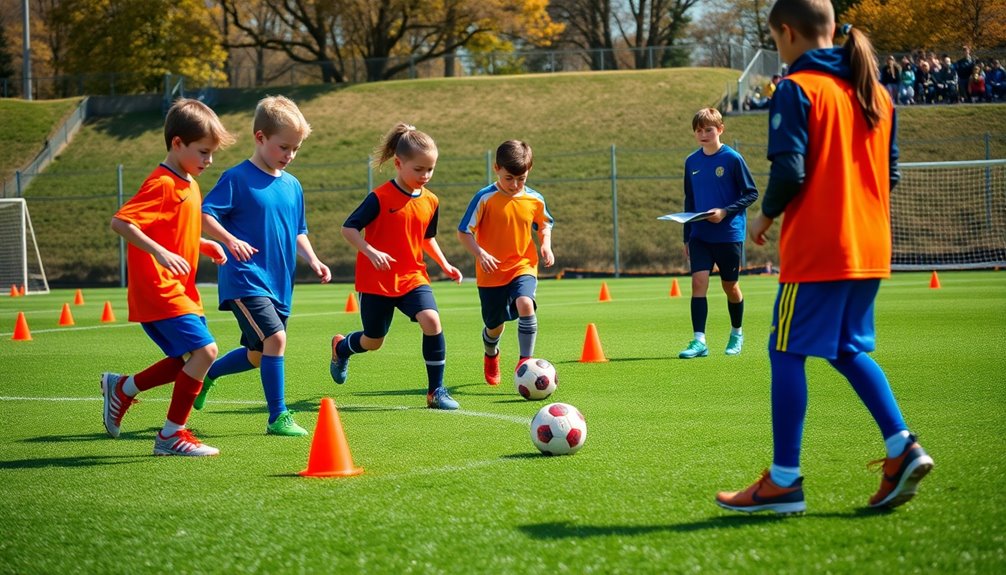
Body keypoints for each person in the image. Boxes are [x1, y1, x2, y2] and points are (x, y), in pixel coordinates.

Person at [715, 2, 934, 515]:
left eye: (775, 41)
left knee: (785, 351)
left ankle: (784, 482)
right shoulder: (875, 91)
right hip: (871, 246)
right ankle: (902, 448)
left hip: (821, 247)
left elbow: (789, 173)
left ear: (786, 33)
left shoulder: (796, 89)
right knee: (844, 350)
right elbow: (892, 175)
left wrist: (766, 217)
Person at [101, 98, 236, 456]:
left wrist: (203, 245)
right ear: (177, 144)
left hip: (182, 290)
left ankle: (123, 389)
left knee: (185, 360)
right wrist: (159, 252)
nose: (209, 161)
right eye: (203, 152)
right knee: (206, 352)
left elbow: (176, 230)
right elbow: (121, 222)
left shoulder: (188, 181)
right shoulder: (162, 183)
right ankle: (171, 436)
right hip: (159, 289)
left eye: (212, 154)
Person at [196, 95, 331, 437]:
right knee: (275, 338)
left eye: (296, 149)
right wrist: (229, 240)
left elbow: (298, 231)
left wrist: (313, 259)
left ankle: (206, 374)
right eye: (284, 147)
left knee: (257, 354)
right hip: (245, 278)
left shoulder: (293, 185)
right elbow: (205, 214)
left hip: (280, 283)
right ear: (260, 138)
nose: (290, 155)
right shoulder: (237, 178)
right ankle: (278, 417)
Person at [329, 123, 464, 409]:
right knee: (374, 340)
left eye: (430, 169)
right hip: (376, 280)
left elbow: (427, 238)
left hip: (413, 277)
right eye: (419, 169)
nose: (425, 176)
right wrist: (370, 250)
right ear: (399, 163)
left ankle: (436, 392)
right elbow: (348, 229)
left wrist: (445, 264)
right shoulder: (380, 197)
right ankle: (342, 348)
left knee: (432, 321)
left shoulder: (431, 201)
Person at [457, 140, 555, 386]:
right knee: (494, 327)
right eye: (509, 178)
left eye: (521, 179)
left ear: (528, 172)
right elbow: (464, 232)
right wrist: (481, 254)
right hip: (491, 273)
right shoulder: (485, 198)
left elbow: (544, 224)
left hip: (523, 265)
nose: (515, 185)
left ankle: (525, 363)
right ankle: (491, 353)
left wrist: (545, 245)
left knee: (525, 303)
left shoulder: (535, 199)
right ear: (496, 168)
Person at [678, 108, 759, 359]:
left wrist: (725, 211)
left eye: (709, 130)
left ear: (720, 130)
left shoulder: (733, 159)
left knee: (730, 286)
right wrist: (686, 236)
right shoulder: (691, 161)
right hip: (700, 235)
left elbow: (751, 193)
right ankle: (699, 341)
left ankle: (736, 333)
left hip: (729, 234)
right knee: (698, 283)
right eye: (699, 131)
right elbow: (689, 200)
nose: (703, 134)